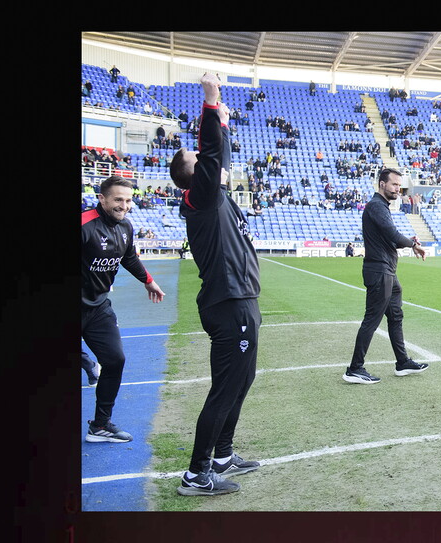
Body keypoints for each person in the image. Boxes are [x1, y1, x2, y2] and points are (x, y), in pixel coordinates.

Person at [170, 73, 262, 496]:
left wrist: (223, 122)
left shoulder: (216, 194)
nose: (209, 163)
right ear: (193, 175)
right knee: (225, 388)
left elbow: (217, 156)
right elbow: (211, 156)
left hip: (242, 299)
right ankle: (196, 473)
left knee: (242, 381)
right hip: (228, 302)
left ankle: (223, 454)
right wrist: (211, 100)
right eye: (198, 161)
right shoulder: (200, 198)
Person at [82, 175, 166, 443]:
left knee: (115, 360)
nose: (124, 205)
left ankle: (100, 425)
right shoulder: (84, 225)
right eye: (118, 199)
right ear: (102, 198)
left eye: (128, 200)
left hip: (98, 308)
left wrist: (149, 281)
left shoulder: (126, 227)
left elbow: (128, 257)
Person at [344, 168, 428, 384]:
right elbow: (392, 234)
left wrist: (404, 241)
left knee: (396, 316)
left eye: (399, 186)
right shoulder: (376, 206)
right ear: (382, 184)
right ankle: (354, 368)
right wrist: (413, 245)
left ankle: (402, 362)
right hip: (379, 271)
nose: (397, 189)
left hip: (387, 271)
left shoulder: (381, 207)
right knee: (372, 319)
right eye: (393, 185)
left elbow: (388, 239)